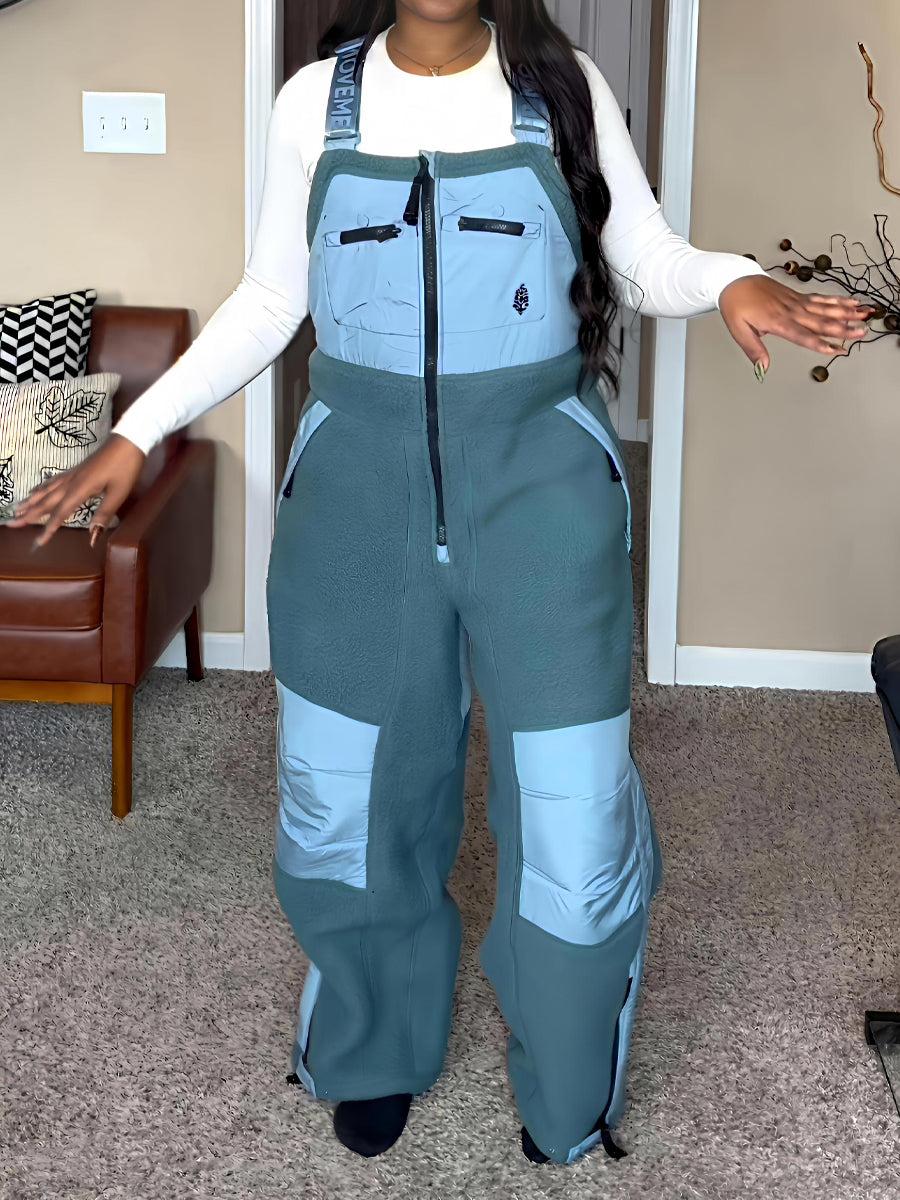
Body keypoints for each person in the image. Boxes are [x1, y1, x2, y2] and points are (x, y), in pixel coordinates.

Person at [11, 0, 873, 1168]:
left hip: (541, 493)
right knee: (346, 795)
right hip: (356, 504)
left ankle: (567, 1083)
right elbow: (272, 297)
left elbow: (644, 255)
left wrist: (730, 281)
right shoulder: (315, 102)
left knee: (573, 807)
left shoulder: (561, 85)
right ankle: (371, 1046)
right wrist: (136, 432)